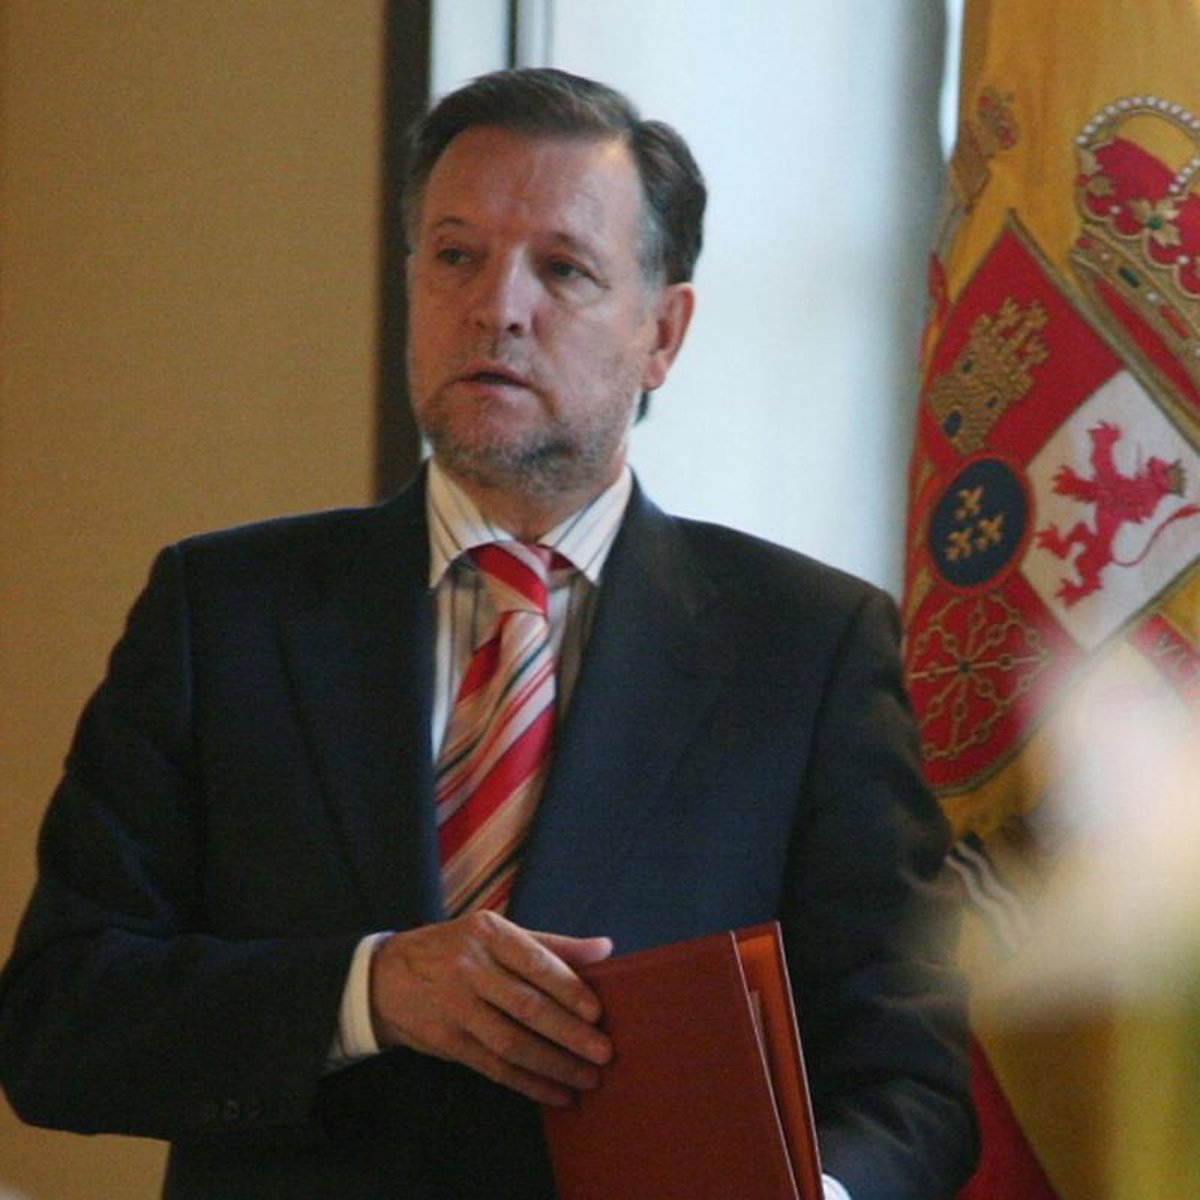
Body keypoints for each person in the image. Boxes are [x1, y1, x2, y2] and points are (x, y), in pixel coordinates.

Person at [0, 68, 976, 1199]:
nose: (497, 307)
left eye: (562, 269)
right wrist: (367, 992)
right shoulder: (222, 613)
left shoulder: (805, 648)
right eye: (456, 256)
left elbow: (909, 1087)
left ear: (663, 334)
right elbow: (57, 1024)